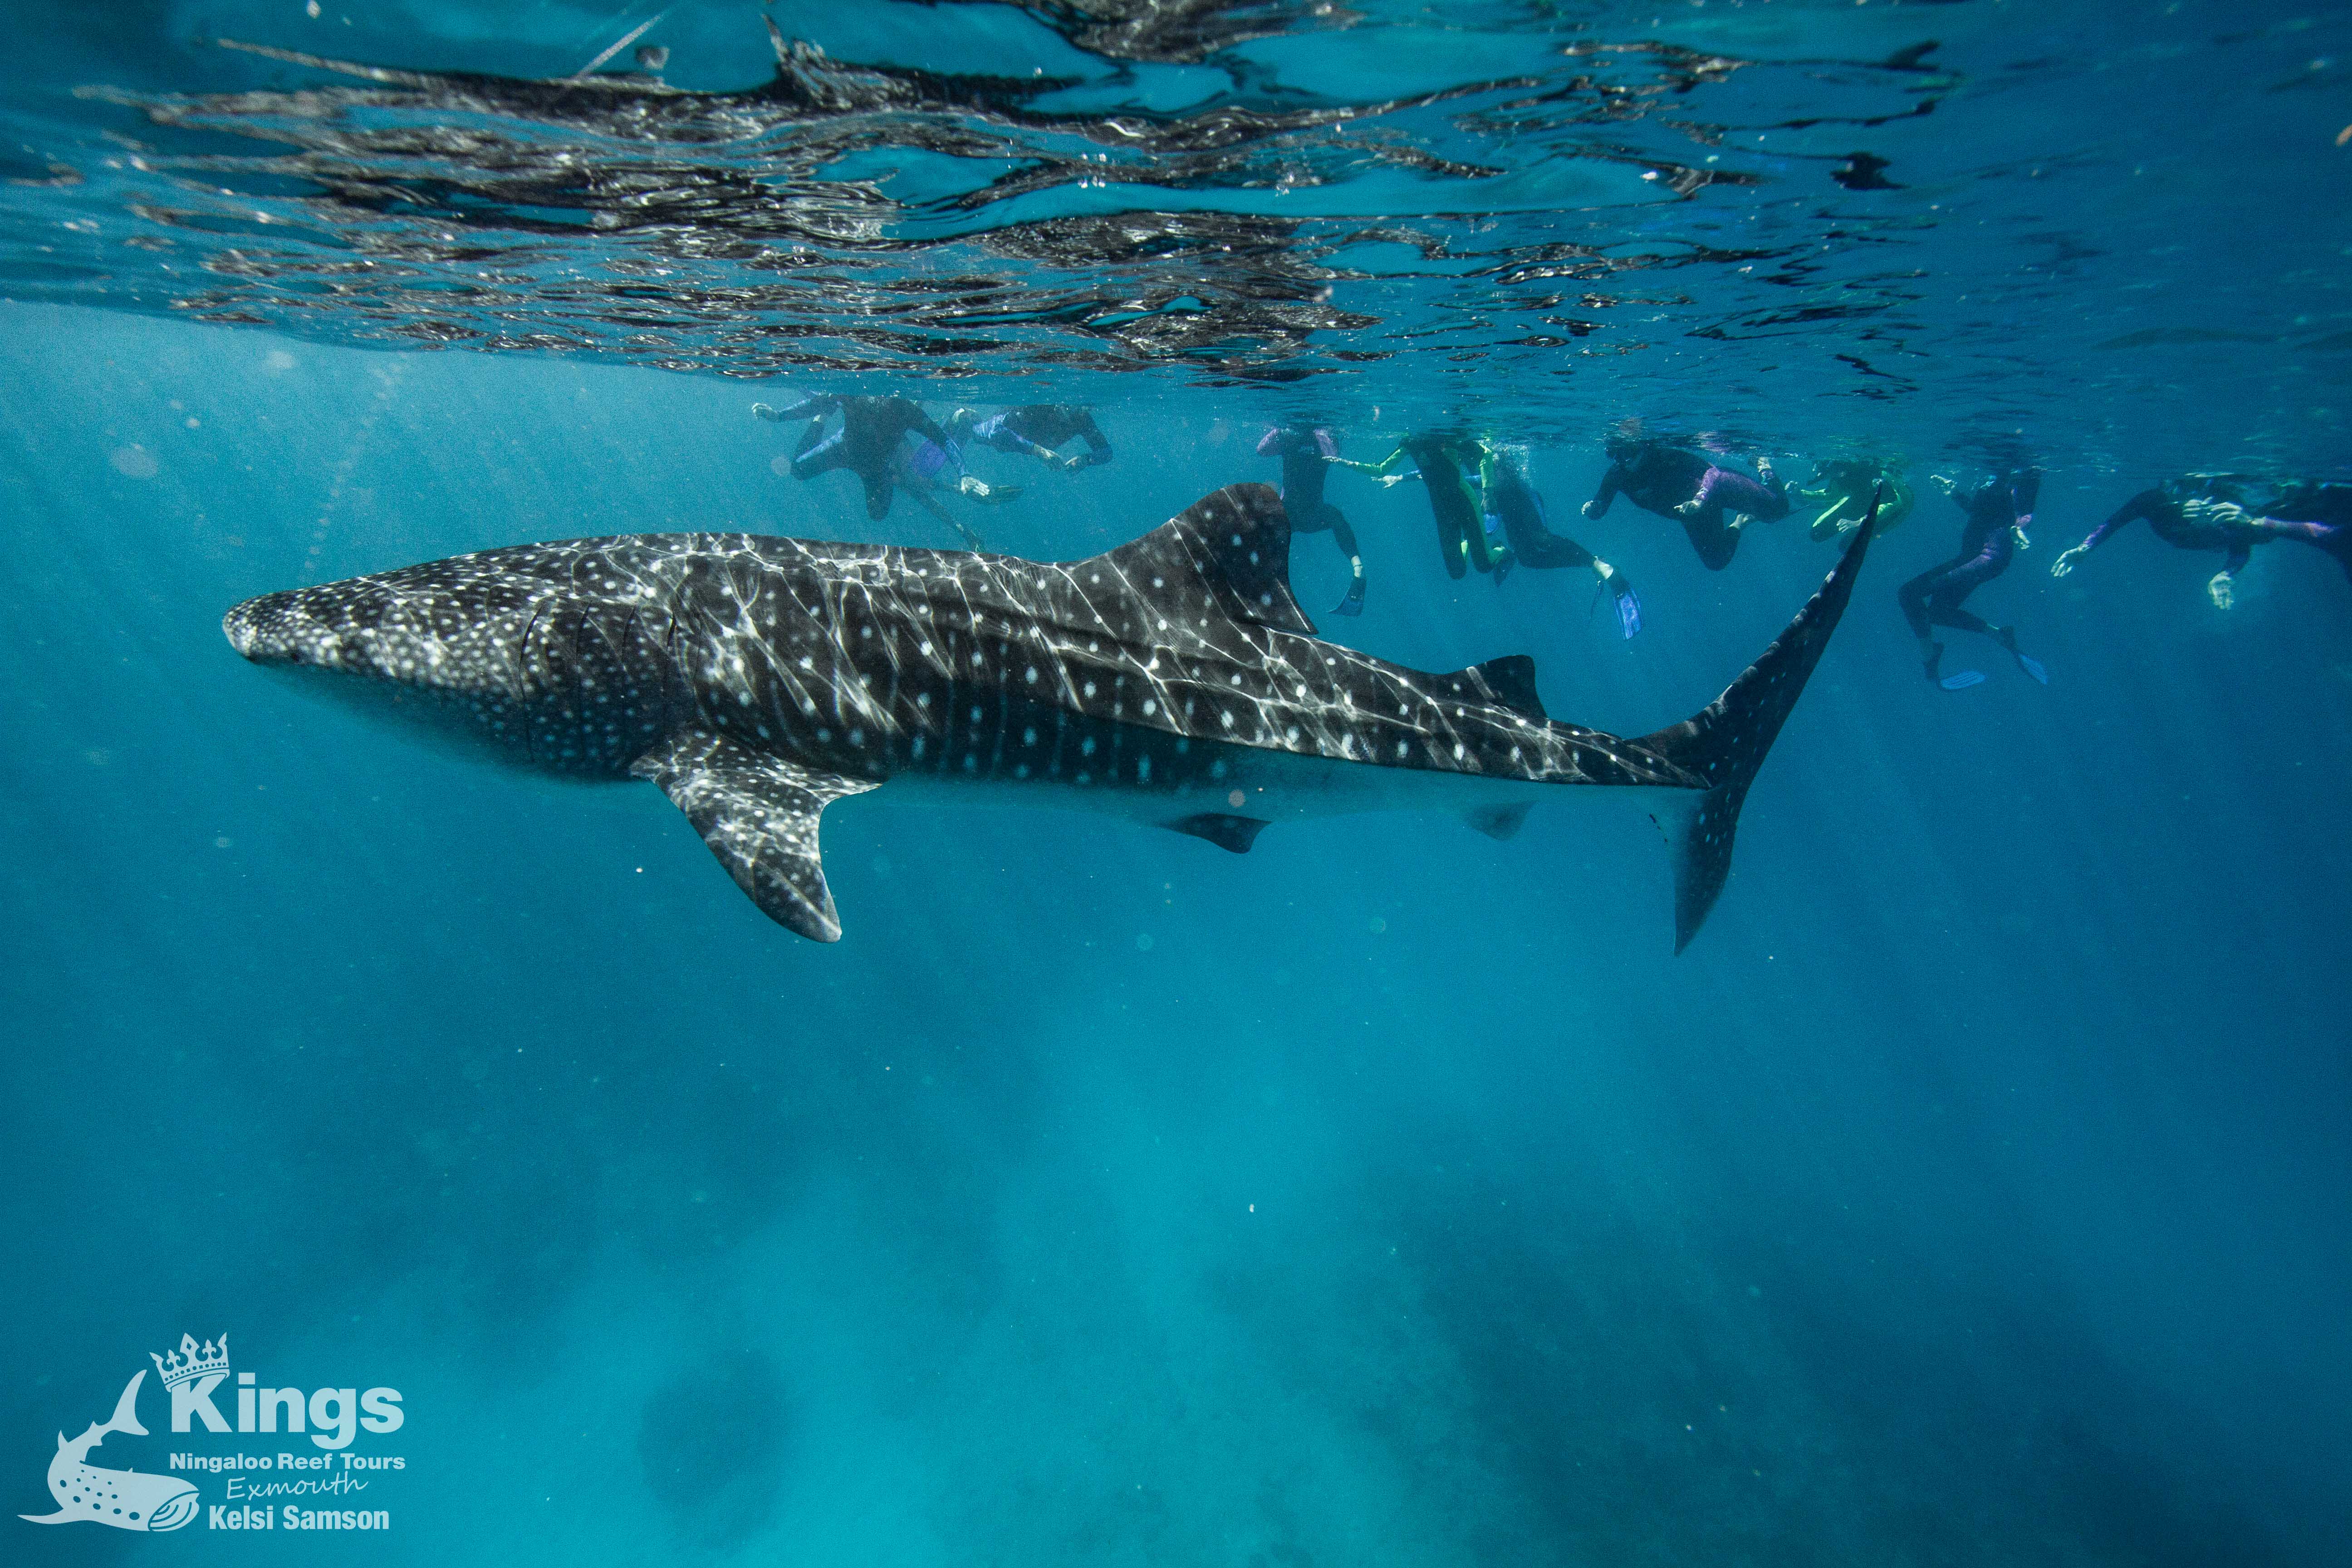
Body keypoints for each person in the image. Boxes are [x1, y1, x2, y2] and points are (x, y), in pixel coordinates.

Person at [2048, 476, 2352, 608]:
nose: (2201, 499)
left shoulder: (2226, 504)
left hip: (2282, 516)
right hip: (2265, 524)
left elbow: (2244, 542)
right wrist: (2084, 548)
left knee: (2319, 518)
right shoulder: (2156, 501)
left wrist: (2226, 572)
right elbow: (2114, 522)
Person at [1899, 468, 2047, 688]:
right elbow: (1982, 514)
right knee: (1938, 613)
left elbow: (2024, 513)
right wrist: (1955, 494)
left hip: (1988, 558)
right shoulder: (1995, 475)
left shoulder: (2023, 473)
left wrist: (2018, 528)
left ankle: (1929, 660)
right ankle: (2001, 636)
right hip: (1969, 558)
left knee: (1909, 593)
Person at [1478, 442, 1642, 637]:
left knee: (1542, 540)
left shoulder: (1520, 489)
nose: (1494, 475)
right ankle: (1508, 555)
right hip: (1514, 518)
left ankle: (1595, 563)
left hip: (1527, 505)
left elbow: (1536, 510)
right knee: (1526, 559)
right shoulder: (1493, 486)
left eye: (1498, 470)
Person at [1582, 435, 1790, 570]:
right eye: (1615, 455)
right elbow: (1600, 507)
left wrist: (1700, 500)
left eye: (1626, 452)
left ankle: (1764, 466)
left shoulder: (1663, 456)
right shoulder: (1617, 475)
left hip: (1719, 488)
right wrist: (1593, 509)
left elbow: (1713, 473)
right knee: (1716, 561)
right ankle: (1740, 522)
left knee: (1778, 512)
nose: (1622, 461)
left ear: (1640, 446)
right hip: (1692, 512)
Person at [753, 394, 971, 521]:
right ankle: (821, 421)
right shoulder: (857, 395)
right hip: (844, 448)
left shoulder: (907, 410)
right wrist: (779, 416)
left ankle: (822, 421)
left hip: (875, 465)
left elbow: (943, 440)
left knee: (878, 514)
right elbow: (819, 403)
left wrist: (964, 474)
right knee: (798, 471)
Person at [1333, 432, 1504, 581]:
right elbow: (1380, 469)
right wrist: (1346, 464)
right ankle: (1469, 541)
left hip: (1465, 502)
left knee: (1484, 565)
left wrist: (1487, 494)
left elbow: (1486, 454)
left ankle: (1503, 551)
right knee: (1457, 572)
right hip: (1442, 510)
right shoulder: (1411, 442)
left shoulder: (1447, 435)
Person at [1257, 424, 1365, 615]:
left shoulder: (1304, 438)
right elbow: (1262, 451)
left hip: (1298, 514)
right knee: (1336, 518)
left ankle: (1358, 568)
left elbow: (1334, 456)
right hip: (1299, 513)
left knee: (1336, 518)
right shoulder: (1297, 438)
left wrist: (1284, 432)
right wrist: (1282, 433)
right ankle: (1262, 581)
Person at [949, 405, 1112, 470]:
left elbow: (1106, 452)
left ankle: (966, 418)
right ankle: (963, 417)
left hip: (1024, 440)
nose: (1073, 411)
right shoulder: (1040, 408)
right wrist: (1039, 452)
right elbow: (997, 431)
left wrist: (1087, 460)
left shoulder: (1082, 419)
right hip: (1007, 433)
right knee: (977, 434)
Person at [1801, 457, 1913, 542]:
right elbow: (1832, 495)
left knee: (1847, 544)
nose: (1814, 470)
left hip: (1899, 505)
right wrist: (1801, 494)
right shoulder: (1842, 474)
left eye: (1819, 466)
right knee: (1817, 532)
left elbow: (1897, 503)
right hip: (1866, 499)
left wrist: (1861, 522)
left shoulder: (1879, 473)